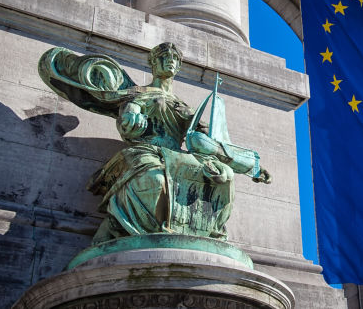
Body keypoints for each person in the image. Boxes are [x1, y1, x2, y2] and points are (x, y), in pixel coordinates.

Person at [38, 42, 270, 244]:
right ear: (153, 63)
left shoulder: (183, 107)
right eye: (164, 57)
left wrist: (251, 167)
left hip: (176, 155)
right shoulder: (140, 93)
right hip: (145, 150)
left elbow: (212, 142)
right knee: (155, 178)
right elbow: (129, 115)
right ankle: (141, 234)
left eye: (174, 59)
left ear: (178, 67)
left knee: (223, 176)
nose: (169, 61)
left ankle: (207, 234)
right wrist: (132, 120)